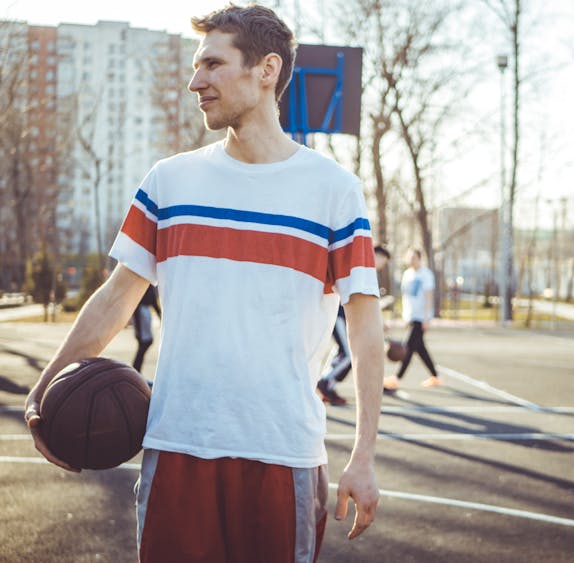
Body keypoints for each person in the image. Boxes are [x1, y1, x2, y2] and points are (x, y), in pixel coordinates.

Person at [24, 5, 383, 562]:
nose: (196, 82)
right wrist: (44, 392)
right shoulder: (171, 181)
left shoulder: (333, 191)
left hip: (282, 451)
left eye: (213, 65)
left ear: (266, 71)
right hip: (176, 448)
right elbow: (118, 296)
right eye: (196, 67)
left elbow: (363, 329)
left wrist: (363, 453)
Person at [317, 245, 391, 406]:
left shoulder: (366, 271)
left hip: (342, 316)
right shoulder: (362, 269)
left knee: (342, 352)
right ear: (375, 255)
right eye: (382, 260)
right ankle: (324, 381)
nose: (382, 264)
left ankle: (328, 384)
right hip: (339, 316)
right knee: (349, 354)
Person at [383, 248, 440, 390]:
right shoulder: (407, 274)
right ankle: (435, 376)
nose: (411, 260)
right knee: (420, 349)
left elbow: (428, 296)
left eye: (414, 257)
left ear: (420, 259)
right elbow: (406, 297)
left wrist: (426, 318)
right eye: (409, 257)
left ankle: (397, 378)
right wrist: (405, 316)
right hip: (411, 316)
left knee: (408, 348)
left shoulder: (425, 274)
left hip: (421, 317)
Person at [132, 284, 161, 373]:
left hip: (143, 309)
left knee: (145, 342)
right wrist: (160, 315)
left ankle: (136, 371)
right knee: (145, 342)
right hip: (140, 309)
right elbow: (152, 299)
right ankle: (135, 371)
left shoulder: (151, 282)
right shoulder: (147, 279)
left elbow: (152, 299)